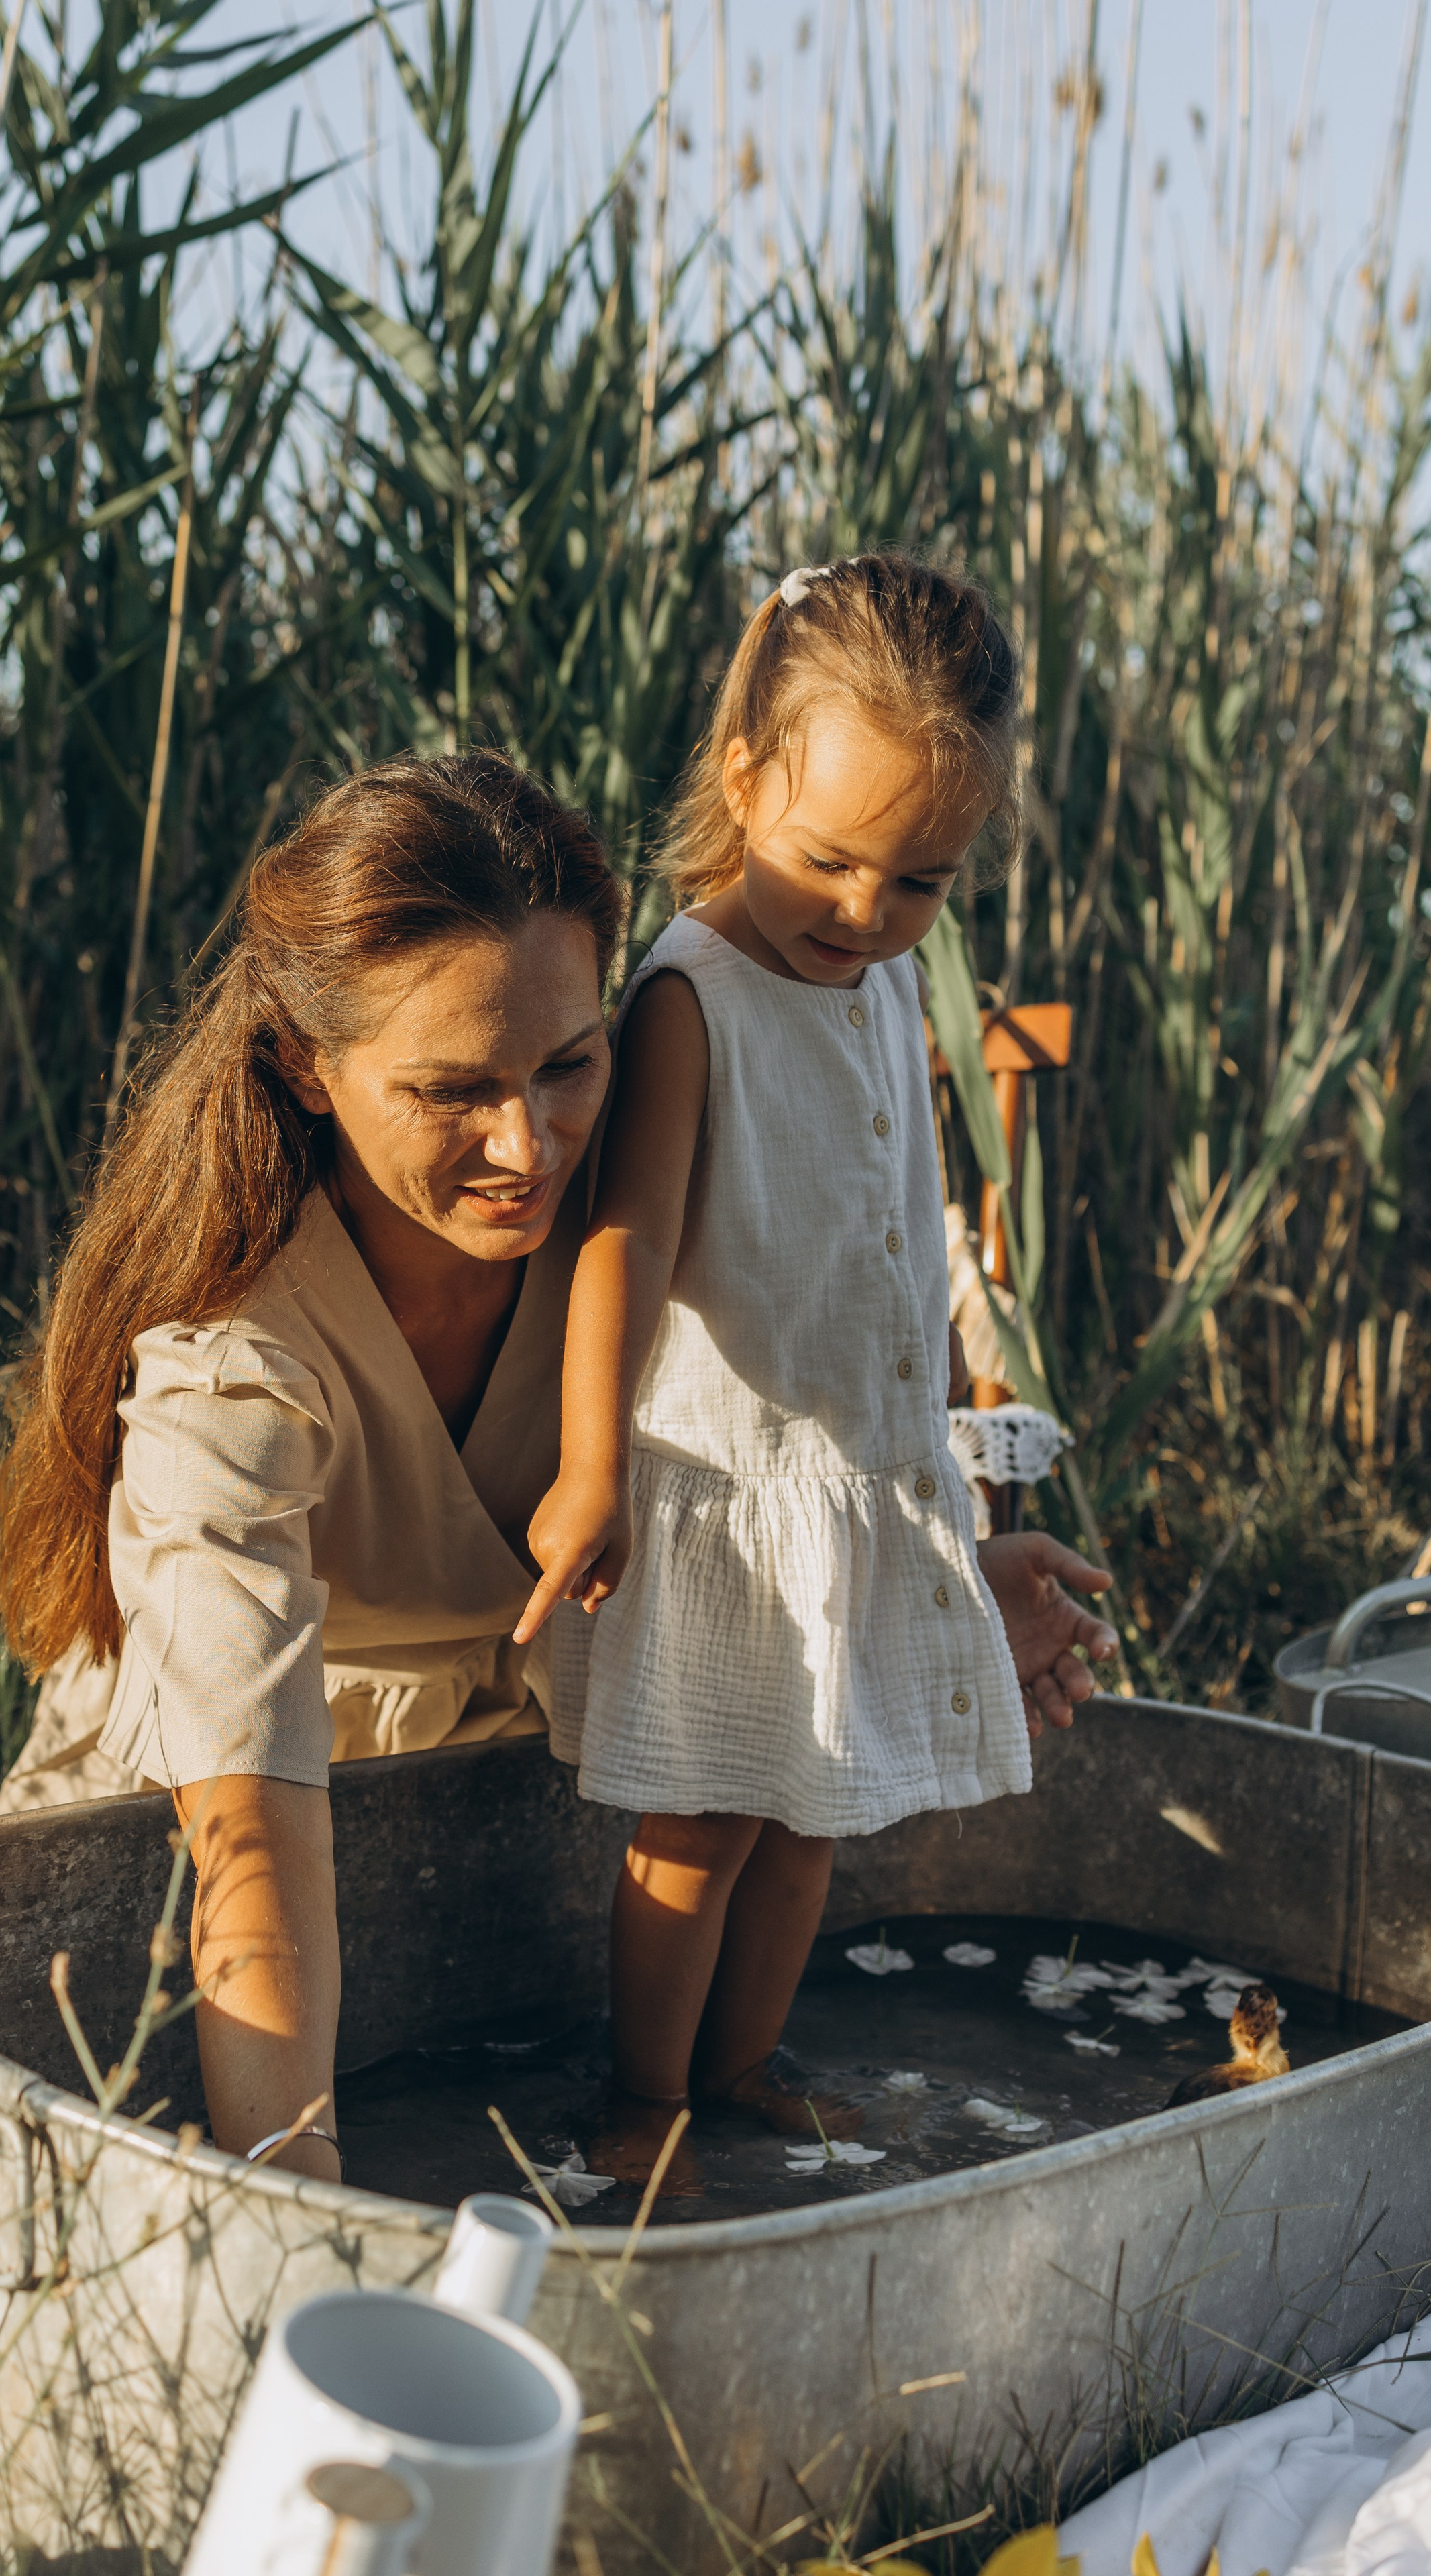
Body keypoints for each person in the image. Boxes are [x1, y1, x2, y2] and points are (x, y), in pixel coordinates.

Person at [515, 554, 1118, 2180]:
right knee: (698, 1824)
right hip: (723, 1486)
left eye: (917, 880)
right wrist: (587, 1473)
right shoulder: (691, 995)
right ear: (742, 780)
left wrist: (938, 1431)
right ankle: (644, 2094)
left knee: (817, 1814)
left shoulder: (891, 984)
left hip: (856, 1474)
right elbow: (624, 1247)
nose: (863, 910)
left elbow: (898, 1215)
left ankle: (747, 2061)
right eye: (827, 859)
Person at [0, 753, 623, 2177]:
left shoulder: (638, 1216)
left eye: (567, 1065)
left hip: (491, 1798)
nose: (527, 1145)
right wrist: (296, 2188)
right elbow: (249, 1836)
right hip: (204, 1846)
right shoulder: (232, 1361)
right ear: (305, 1066)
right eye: (451, 1089)